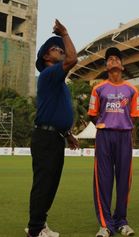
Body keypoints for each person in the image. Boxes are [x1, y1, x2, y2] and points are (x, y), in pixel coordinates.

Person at [26, 19, 80, 237]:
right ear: (46, 57)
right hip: (45, 138)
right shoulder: (49, 74)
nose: (60, 50)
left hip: (54, 136)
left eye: (61, 47)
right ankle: (35, 229)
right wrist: (65, 33)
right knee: (43, 184)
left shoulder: (57, 80)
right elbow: (74, 58)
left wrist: (67, 134)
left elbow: (57, 110)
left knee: (50, 184)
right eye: (56, 49)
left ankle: (38, 224)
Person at [88, 47, 139, 237]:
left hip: (124, 137)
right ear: (106, 66)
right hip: (104, 136)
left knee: (123, 181)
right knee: (103, 181)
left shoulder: (131, 89)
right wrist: (106, 124)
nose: (112, 61)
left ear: (122, 65)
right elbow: (93, 115)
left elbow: (134, 116)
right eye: (109, 59)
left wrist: (122, 125)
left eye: (116, 58)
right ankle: (105, 224)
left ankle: (121, 221)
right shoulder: (98, 89)